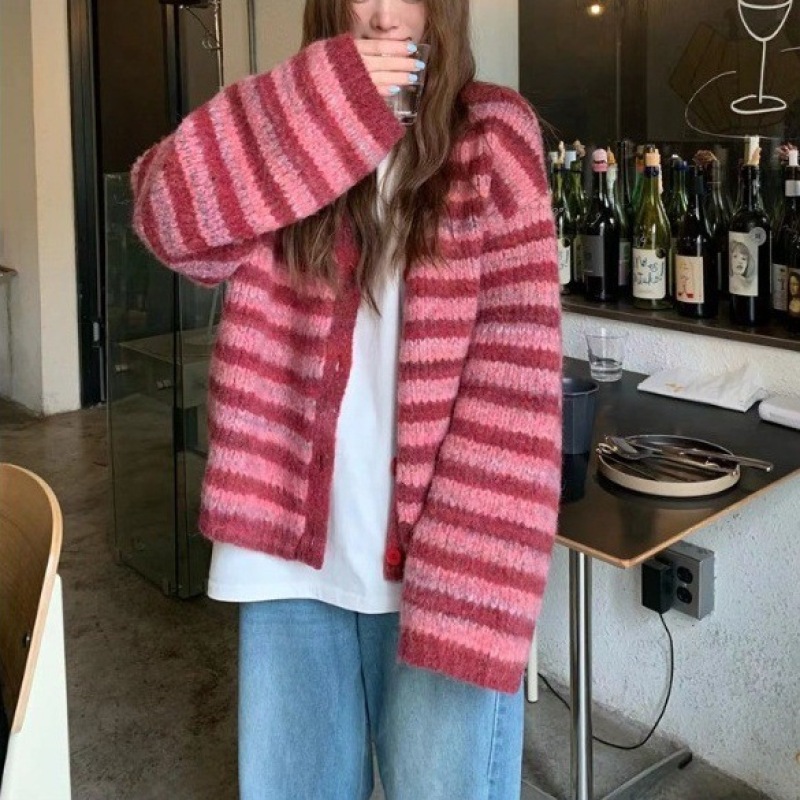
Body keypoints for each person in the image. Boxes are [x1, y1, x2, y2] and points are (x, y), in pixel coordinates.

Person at [131, 1, 561, 798]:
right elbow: (165, 219)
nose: (382, 13)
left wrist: (474, 581)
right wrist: (311, 100)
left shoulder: (494, 138)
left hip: (448, 571)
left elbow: (516, 378)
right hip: (287, 567)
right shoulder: (288, 120)